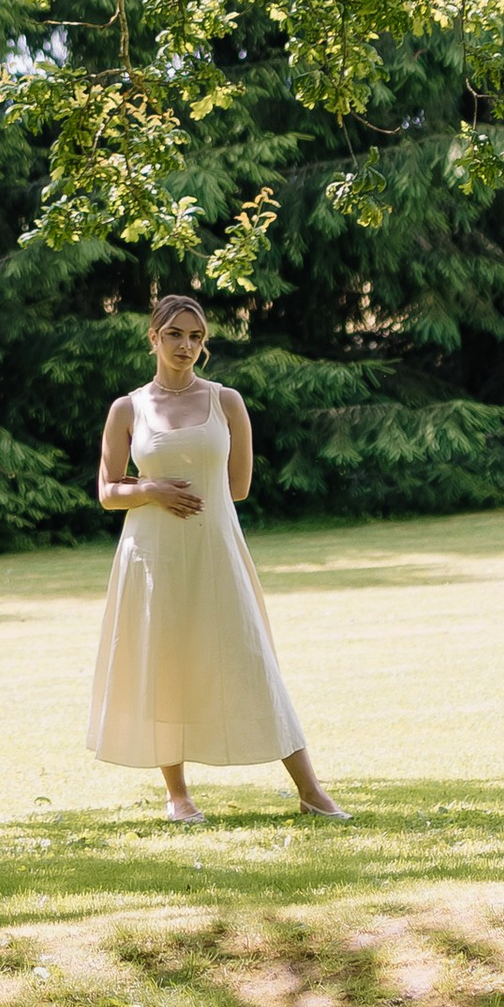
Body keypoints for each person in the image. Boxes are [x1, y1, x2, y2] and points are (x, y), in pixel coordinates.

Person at [88, 289, 346, 823]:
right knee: (165, 664)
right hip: (152, 554)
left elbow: (240, 486)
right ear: (154, 337)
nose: (187, 345)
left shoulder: (225, 401)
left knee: (251, 660)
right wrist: (152, 489)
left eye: (197, 337)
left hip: (216, 548)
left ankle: (311, 791)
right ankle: (178, 796)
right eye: (176, 334)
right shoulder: (127, 408)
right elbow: (109, 491)